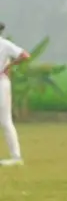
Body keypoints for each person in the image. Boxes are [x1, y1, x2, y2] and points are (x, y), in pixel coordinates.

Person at [0, 22, 30, 167]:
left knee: (5, 120)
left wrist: (8, 66)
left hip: (1, 83)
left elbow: (24, 55)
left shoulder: (4, 44)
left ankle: (16, 157)